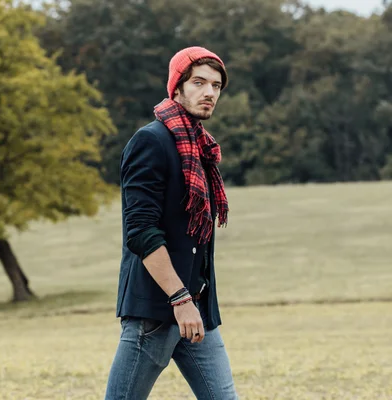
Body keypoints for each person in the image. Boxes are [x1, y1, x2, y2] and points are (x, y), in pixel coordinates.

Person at [105, 46, 238, 400]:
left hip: (197, 310)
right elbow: (141, 231)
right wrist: (179, 299)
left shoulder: (201, 149)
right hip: (157, 310)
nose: (209, 92)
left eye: (216, 85)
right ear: (177, 86)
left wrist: (192, 301)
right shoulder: (151, 141)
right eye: (199, 82)